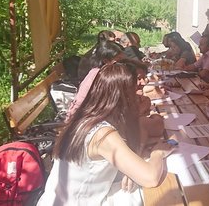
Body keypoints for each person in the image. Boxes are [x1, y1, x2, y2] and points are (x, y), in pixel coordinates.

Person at [37, 62, 173, 205]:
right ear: (123, 98)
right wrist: (158, 152)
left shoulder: (88, 118)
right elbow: (151, 178)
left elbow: (143, 132)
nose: (140, 96)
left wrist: (136, 158)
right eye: (136, 91)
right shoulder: (102, 134)